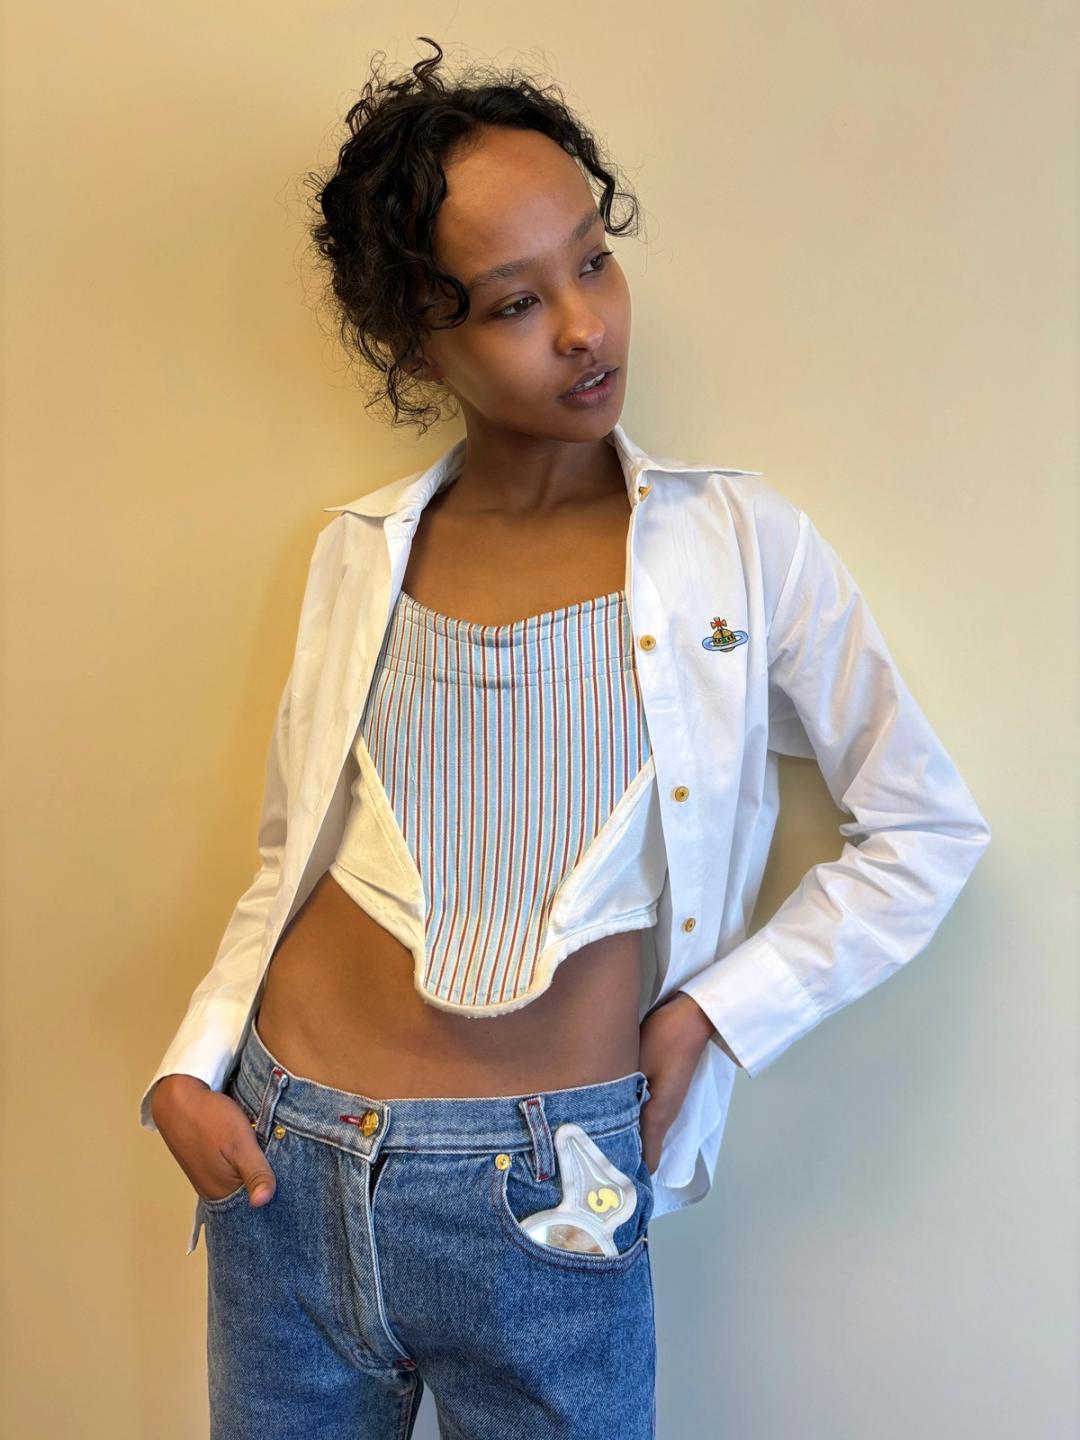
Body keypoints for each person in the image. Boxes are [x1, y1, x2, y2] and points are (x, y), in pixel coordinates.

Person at [139, 37, 992, 1439]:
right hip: (285, 1164)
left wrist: (716, 1013)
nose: (586, 327)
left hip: (553, 1191)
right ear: (415, 340)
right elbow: (291, 861)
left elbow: (925, 830)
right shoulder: (360, 551)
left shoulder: (740, 547)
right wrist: (189, 1063)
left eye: (594, 261)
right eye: (516, 303)